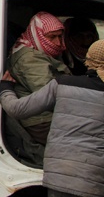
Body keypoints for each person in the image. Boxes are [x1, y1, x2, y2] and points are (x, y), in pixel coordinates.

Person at [0, 39, 104, 197]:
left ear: (88, 59)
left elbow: (17, 109)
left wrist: (5, 88)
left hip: (58, 175)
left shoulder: (61, 84)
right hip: (94, 179)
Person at [6, 11, 71, 146]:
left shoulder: (41, 51)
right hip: (42, 121)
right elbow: (49, 96)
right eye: (52, 37)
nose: (58, 42)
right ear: (37, 34)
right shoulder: (29, 58)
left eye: (60, 36)